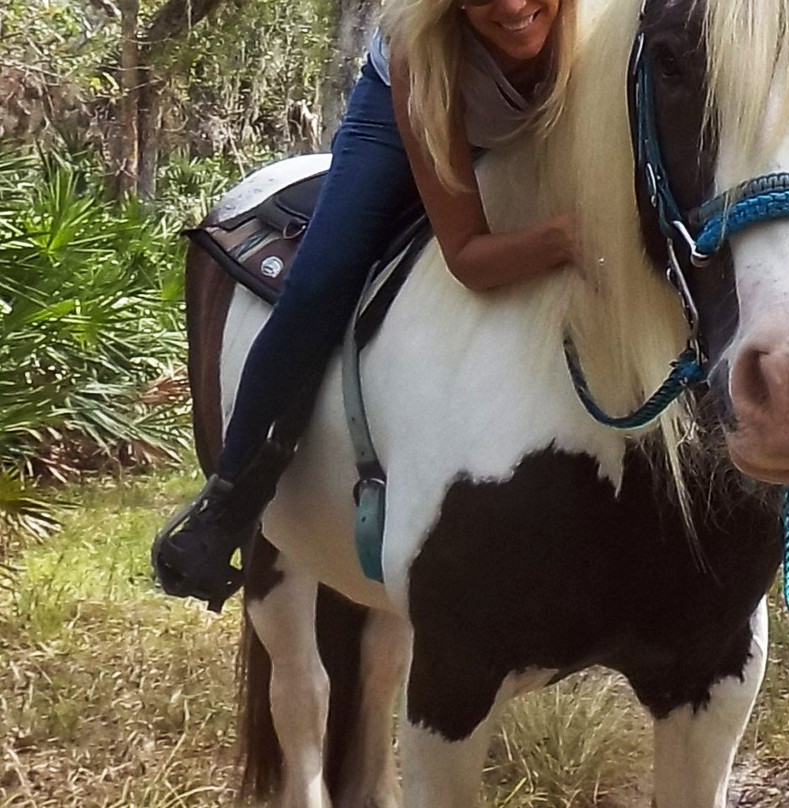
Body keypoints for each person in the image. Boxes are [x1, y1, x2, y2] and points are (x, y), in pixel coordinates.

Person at [153, 0, 578, 610]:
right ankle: (228, 502)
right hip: (403, 114)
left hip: (544, 118)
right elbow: (467, 256)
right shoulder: (419, 48)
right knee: (320, 283)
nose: (512, 6)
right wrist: (567, 238)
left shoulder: (604, 25)